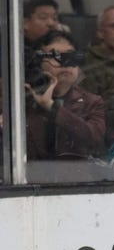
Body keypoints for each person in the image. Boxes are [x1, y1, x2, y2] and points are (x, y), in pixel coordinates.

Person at [25, 30, 106, 163]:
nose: (65, 62)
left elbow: (93, 138)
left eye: (71, 55)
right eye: (55, 55)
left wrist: (52, 107)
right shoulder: (20, 99)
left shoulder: (92, 102)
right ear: (37, 63)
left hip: (73, 180)